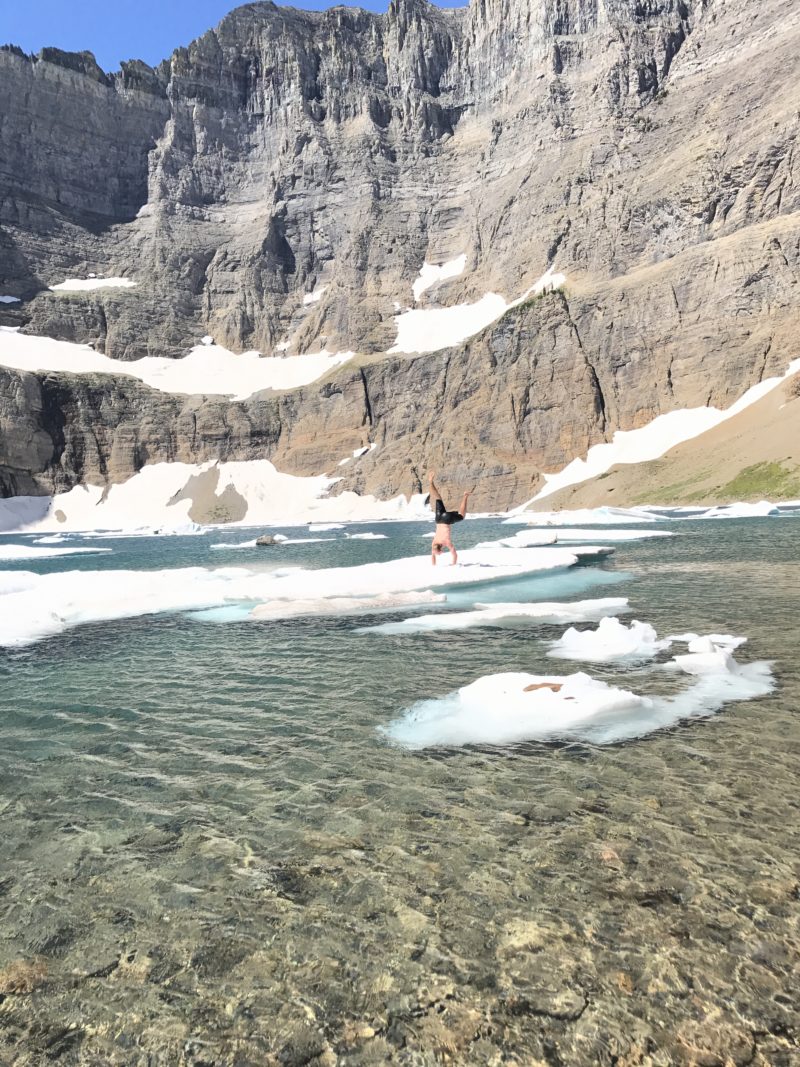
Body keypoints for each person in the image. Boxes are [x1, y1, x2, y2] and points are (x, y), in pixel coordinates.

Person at [428, 471, 469, 565]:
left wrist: (453, 564)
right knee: (438, 497)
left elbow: (455, 555)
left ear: (441, 548)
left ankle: (465, 496)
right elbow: (433, 556)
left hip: (446, 520)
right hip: (438, 519)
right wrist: (433, 564)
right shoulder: (433, 543)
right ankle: (430, 482)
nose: (438, 554)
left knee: (462, 516)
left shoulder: (447, 542)